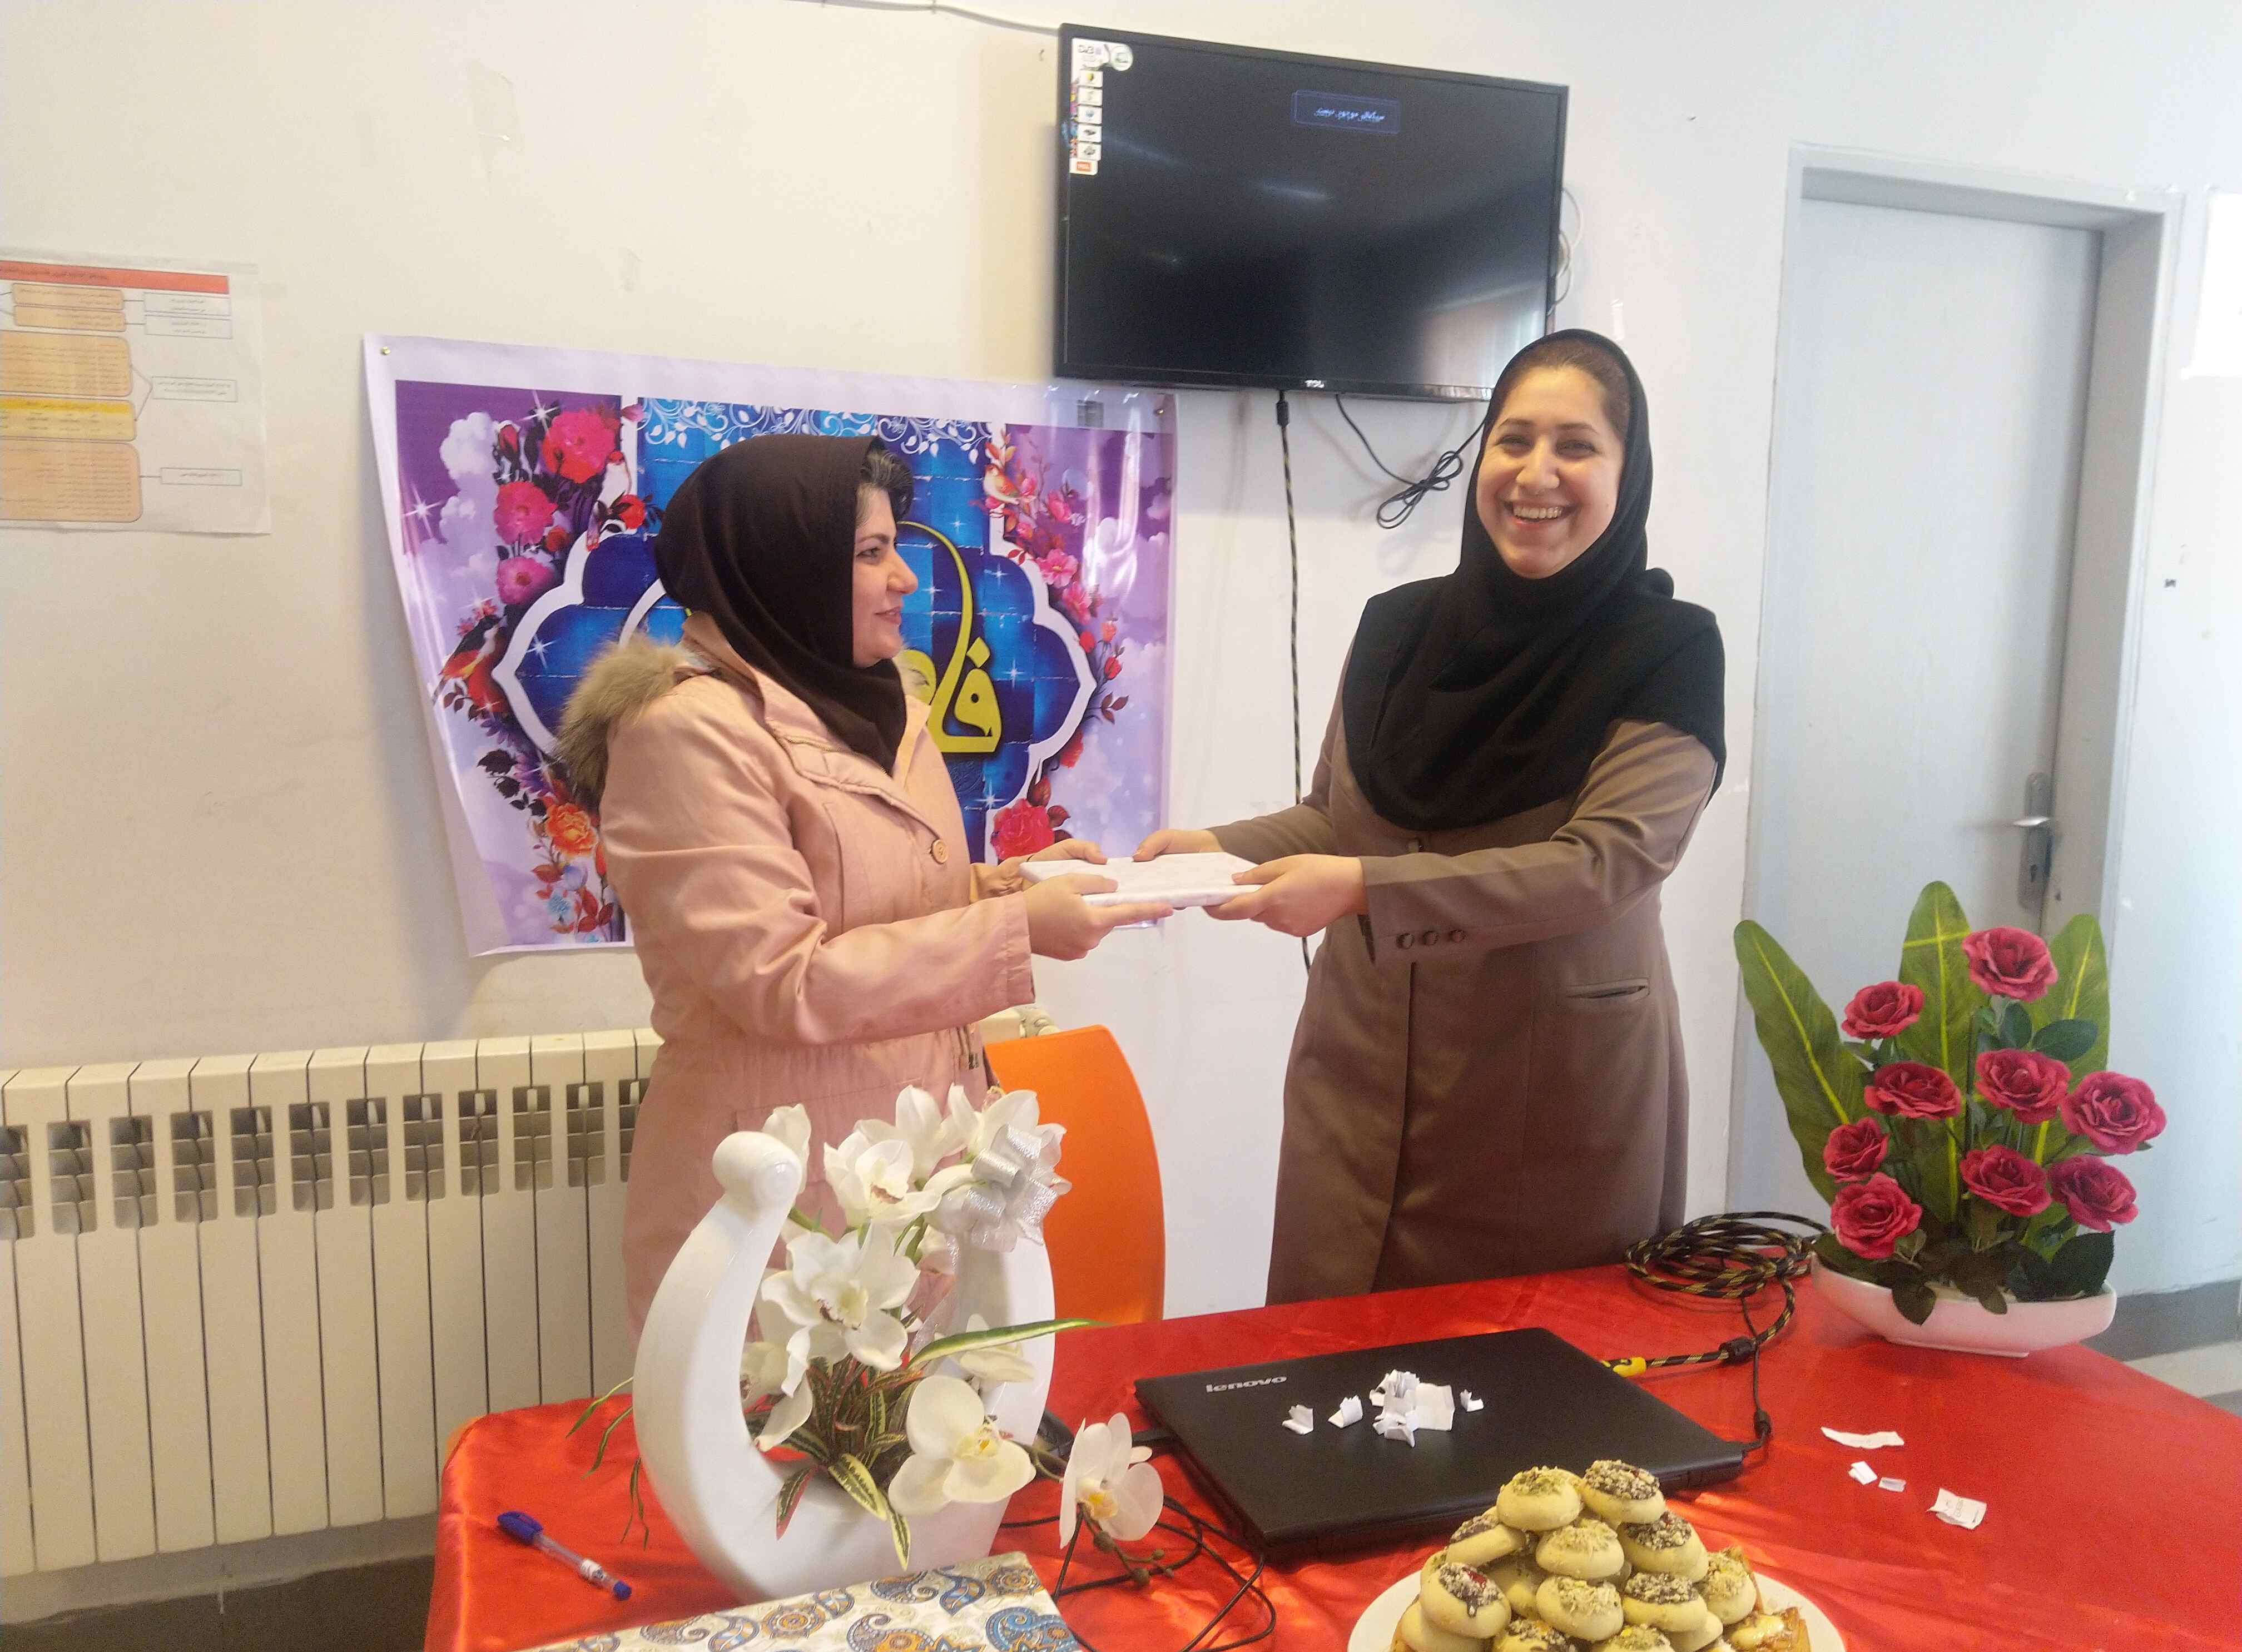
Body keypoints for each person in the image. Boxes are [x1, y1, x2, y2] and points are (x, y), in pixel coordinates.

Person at [1137, 330, 1724, 1303]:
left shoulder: (1669, 648)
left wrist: (1366, 891)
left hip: (1545, 1099)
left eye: (1577, 446)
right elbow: (1339, 822)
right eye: (1513, 439)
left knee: (1522, 1371)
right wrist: (1203, 854)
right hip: (1357, 1077)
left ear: (1628, 474)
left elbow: (1607, 863)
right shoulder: (1399, 626)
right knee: (1325, 1353)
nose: (1536, 472)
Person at [559, 434, 1158, 1340]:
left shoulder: (878, 704)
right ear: (781, 570)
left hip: (916, 1158)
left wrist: (1009, 887)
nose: (904, 579)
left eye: (896, 548)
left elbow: (882, 896)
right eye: (871, 553)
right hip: (784, 1192)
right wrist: (1016, 931)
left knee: (942, 1417)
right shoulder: (685, 732)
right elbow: (781, 977)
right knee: (789, 1428)